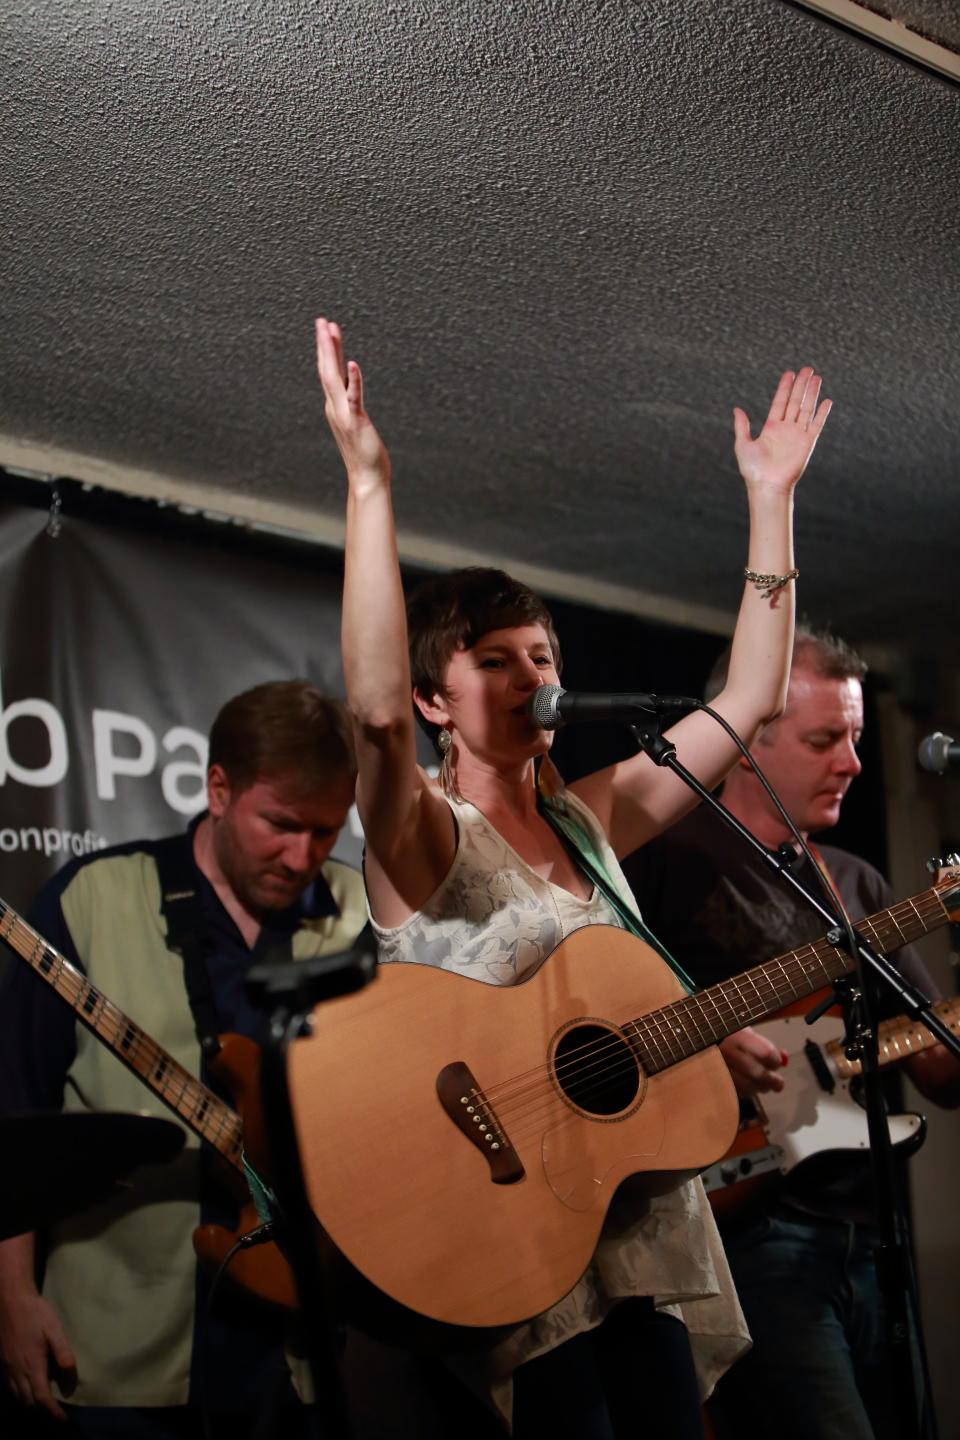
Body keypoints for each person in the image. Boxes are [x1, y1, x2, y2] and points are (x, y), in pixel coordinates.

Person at [315, 315, 832, 1438]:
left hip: (637, 1226)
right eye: (493, 661)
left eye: (541, 657)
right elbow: (370, 712)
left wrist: (771, 499)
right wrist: (368, 487)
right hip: (513, 1229)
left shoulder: (589, 819)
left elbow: (748, 700)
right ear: (438, 700)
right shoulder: (423, 839)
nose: (528, 676)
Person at [0, 680, 367, 1439]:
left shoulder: (366, 918)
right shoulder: (91, 898)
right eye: (281, 824)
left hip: (306, 1363)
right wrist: (11, 1297)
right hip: (112, 1356)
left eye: (326, 832)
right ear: (218, 789)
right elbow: (12, 1111)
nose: (303, 856)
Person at [622, 630, 960, 1440]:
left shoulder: (856, 883)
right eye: (824, 740)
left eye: (855, 738)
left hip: (873, 1230)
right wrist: (711, 1047)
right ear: (745, 742)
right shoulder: (663, 858)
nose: (853, 762)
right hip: (749, 1230)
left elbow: (941, 1071)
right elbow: (604, 1024)